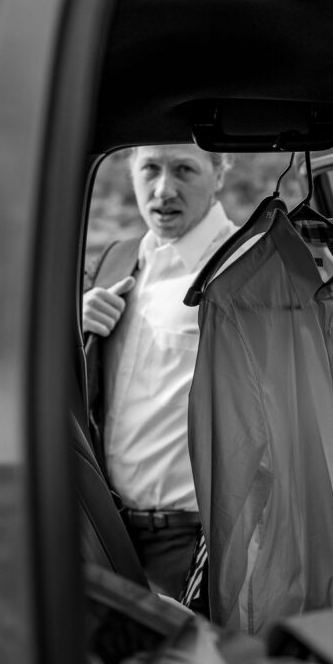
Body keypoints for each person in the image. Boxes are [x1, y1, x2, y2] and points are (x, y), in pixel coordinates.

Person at [82, 144, 235, 598]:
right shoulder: (115, 260)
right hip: (109, 530)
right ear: (132, 172)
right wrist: (74, 324)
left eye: (184, 169)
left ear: (219, 173)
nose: (163, 189)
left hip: (198, 542)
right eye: (150, 168)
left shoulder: (244, 268)